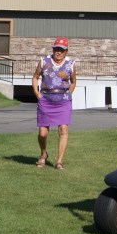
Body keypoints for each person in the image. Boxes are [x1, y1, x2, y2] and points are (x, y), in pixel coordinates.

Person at [32, 37, 77, 170]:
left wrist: (69, 95)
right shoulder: (44, 61)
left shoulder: (70, 64)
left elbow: (73, 81)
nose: (59, 52)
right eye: (56, 49)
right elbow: (35, 77)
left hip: (63, 101)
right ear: (53, 49)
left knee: (63, 130)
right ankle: (43, 154)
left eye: (62, 50)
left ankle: (59, 161)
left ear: (66, 51)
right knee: (43, 133)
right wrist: (37, 93)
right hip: (46, 100)